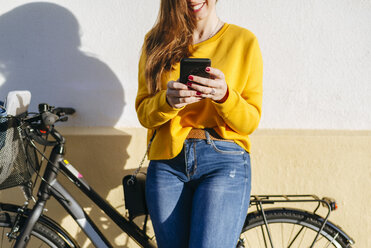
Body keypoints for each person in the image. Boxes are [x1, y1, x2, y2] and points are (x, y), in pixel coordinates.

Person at [135, 0, 263, 247]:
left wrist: (225, 96)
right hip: (167, 164)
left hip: (224, 160)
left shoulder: (244, 41)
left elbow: (250, 121)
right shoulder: (156, 41)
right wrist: (167, 101)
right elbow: (144, 113)